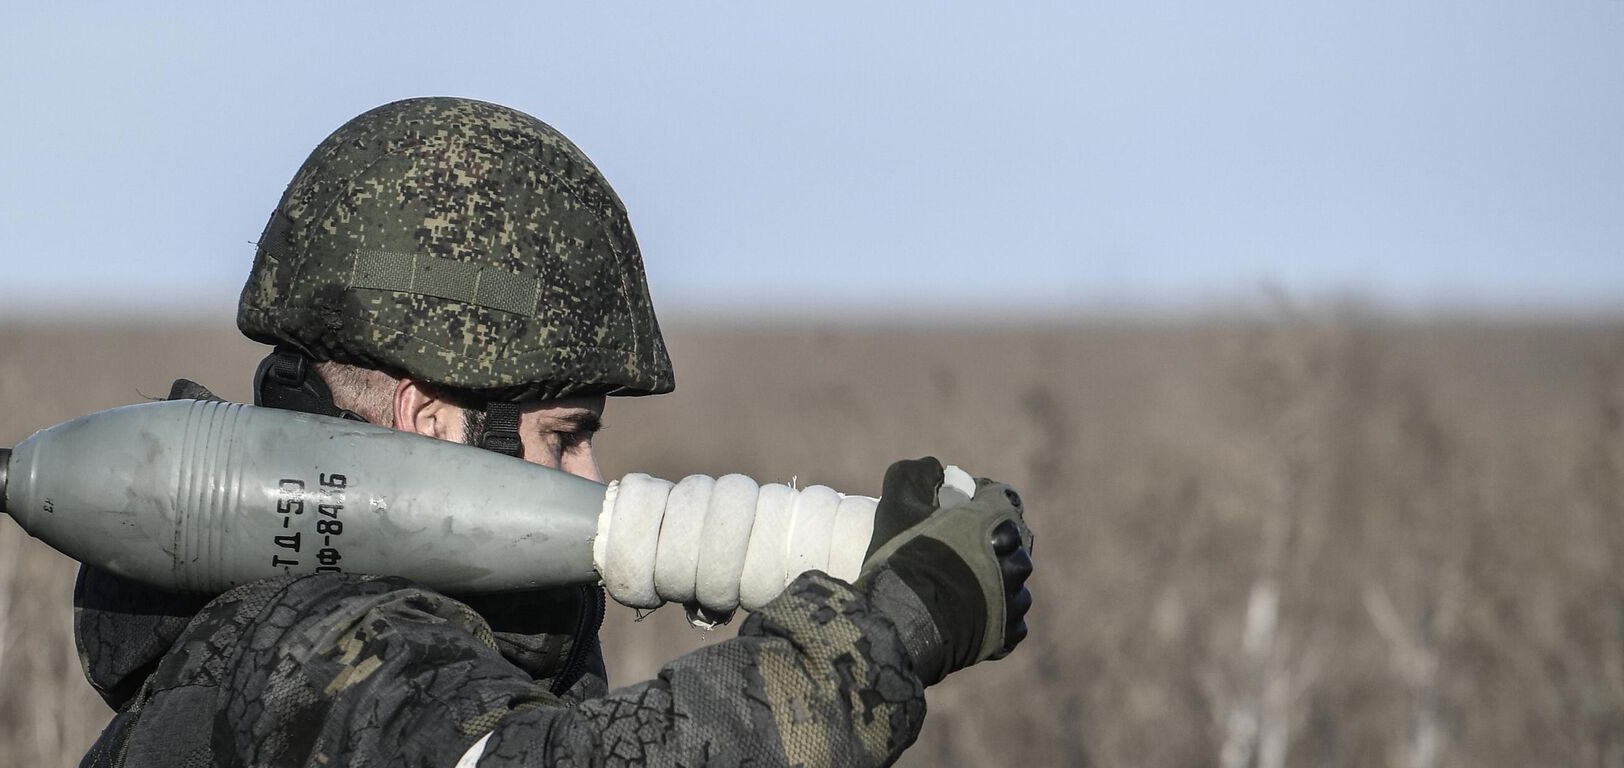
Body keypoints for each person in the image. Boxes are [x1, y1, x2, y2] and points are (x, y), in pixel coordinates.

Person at [73, 97, 1034, 767]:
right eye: (565, 435)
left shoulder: (351, 643)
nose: (591, 472)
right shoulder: (307, 652)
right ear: (430, 424)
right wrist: (884, 631)